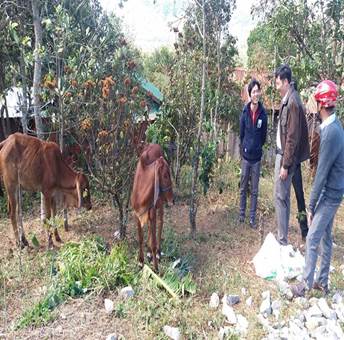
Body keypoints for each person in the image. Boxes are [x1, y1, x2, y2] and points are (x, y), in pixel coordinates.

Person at [291, 80, 344, 297]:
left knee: (312, 238)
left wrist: (311, 205)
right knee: (326, 237)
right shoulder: (335, 126)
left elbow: (321, 173)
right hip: (334, 191)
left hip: (330, 194)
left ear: (321, 104)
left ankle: (304, 285)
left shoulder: (331, 133)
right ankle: (322, 282)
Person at [274, 65, 310, 245]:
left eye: (278, 82)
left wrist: (285, 165)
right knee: (287, 196)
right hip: (288, 157)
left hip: (288, 159)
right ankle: (288, 235)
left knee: (281, 197)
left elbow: (292, 137)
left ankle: (283, 239)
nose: (276, 86)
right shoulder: (288, 99)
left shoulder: (293, 102)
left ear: (286, 82)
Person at [239, 79, 267, 229]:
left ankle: (252, 218)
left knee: (255, 190)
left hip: (256, 158)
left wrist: (256, 147)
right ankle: (241, 214)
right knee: (243, 187)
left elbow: (263, 137)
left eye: (258, 91)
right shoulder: (244, 112)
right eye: (253, 91)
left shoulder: (263, 114)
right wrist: (245, 147)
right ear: (250, 94)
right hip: (245, 157)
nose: (256, 94)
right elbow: (241, 134)